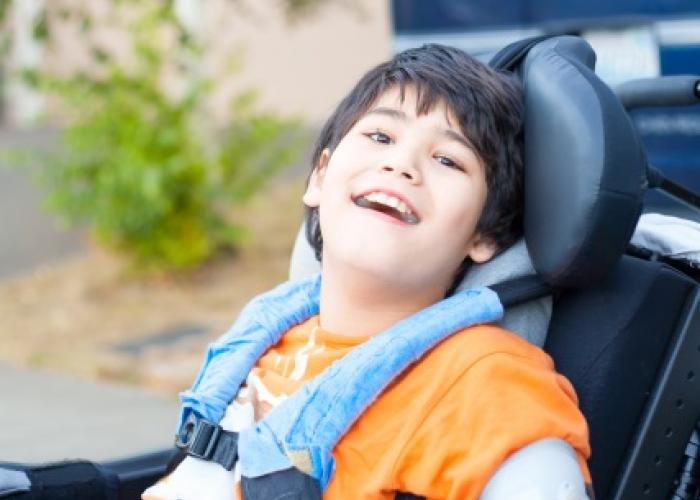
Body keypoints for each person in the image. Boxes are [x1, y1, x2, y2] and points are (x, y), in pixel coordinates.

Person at [144, 44, 592, 500]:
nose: (401, 165)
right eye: (381, 137)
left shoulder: (488, 385)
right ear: (320, 176)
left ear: (484, 236)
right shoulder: (263, 333)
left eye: (448, 160)